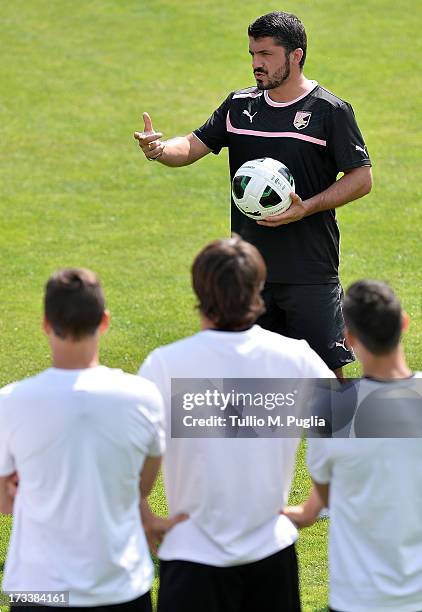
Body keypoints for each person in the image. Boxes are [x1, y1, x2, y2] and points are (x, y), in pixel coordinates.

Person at [134, 11, 372, 378]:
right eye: (252, 55)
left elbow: (361, 178)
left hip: (309, 270)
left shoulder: (329, 111)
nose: (256, 65)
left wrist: (307, 207)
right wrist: (161, 150)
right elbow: (194, 145)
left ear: (296, 55)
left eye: (266, 55)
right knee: (251, 382)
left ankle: (332, 438)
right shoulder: (239, 106)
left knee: (326, 382)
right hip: (247, 274)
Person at [138, 235, 335, 612]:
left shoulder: (165, 364)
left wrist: (144, 515)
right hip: (271, 558)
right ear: (257, 289)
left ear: (198, 289)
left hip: (190, 559)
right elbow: (348, 429)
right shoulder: (295, 358)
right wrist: (314, 507)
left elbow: (125, 455)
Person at [0, 269, 173, 612]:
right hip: (121, 587)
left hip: (38, 591)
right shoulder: (142, 396)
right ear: (104, 321)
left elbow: (4, 502)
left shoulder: (11, 402)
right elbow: (141, 486)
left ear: (46, 323)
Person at [284, 280, 422, 611]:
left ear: (349, 339)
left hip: (355, 598)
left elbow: (323, 498)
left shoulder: (331, 412)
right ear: (403, 322)